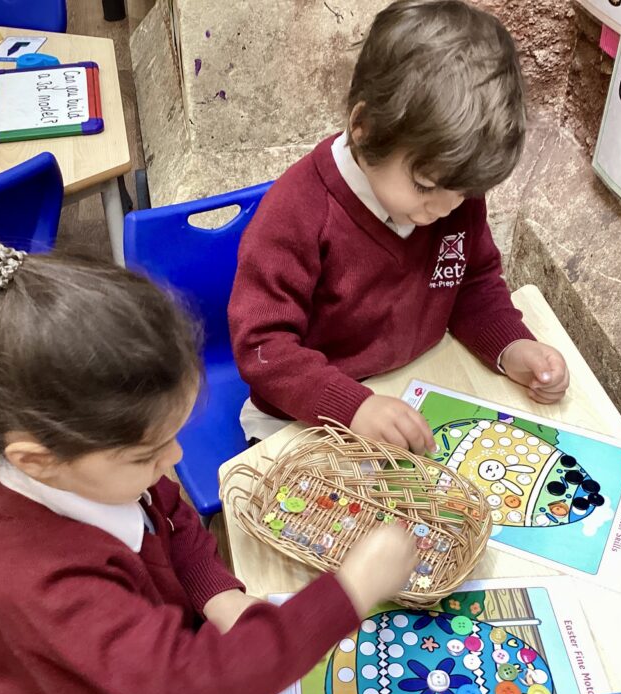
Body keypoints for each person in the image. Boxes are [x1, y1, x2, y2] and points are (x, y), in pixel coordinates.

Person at [0, 242, 418, 694]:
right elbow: (198, 690)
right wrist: (350, 592)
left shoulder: (88, 471)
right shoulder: (44, 584)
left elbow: (168, 517)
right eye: (147, 455)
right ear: (37, 461)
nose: (173, 460)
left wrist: (218, 595)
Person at [229, 0, 569, 454]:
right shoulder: (296, 215)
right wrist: (353, 408)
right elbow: (262, 346)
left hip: (413, 389)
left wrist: (511, 347)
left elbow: (472, 283)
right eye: (426, 186)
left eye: (462, 193)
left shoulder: (451, 196)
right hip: (303, 417)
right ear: (364, 128)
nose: (444, 210)